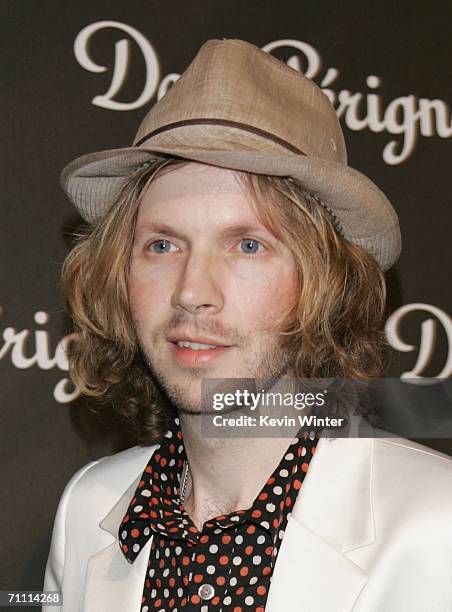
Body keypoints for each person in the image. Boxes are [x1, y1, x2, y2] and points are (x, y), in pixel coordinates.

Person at [43, 39, 452, 612]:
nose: (191, 292)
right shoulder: (87, 511)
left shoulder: (438, 527)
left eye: (248, 245)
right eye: (162, 244)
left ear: (324, 281)